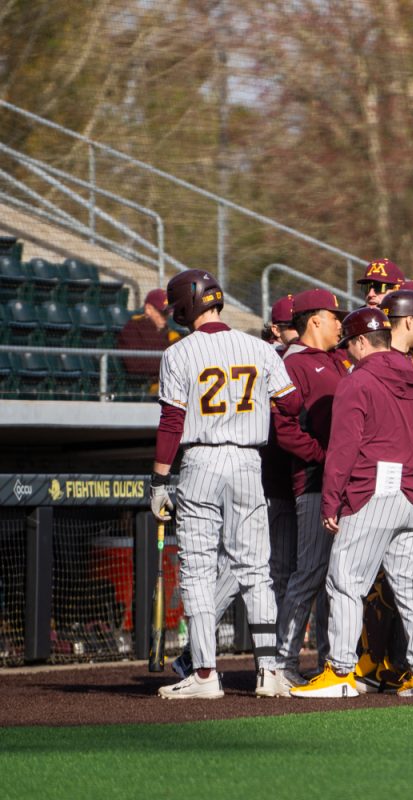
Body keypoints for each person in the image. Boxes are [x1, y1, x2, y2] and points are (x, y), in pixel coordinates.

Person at [149, 269, 301, 700]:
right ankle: (269, 672)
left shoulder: (179, 353)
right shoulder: (259, 348)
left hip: (201, 460)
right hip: (248, 460)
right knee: (256, 569)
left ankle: (204, 676)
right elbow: (293, 402)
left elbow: (171, 422)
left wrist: (159, 481)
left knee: (198, 570)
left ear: (184, 305)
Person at [290, 307, 413, 698]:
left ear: (359, 342)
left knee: (345, 580)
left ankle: (340, 670)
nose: (348, 352)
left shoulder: (358, 381)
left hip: (374, 490)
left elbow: (343, 448)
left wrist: (331, 500)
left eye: (349, 344)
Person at [270, 289, 349, 687]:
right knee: (309, 572)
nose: (341, 322)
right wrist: (326, 457)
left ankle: (329, 663)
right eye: (335, 316)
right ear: (314, 320)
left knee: (337, 577)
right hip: (314, 482)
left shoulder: (334, 359)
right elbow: (284, 431)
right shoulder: (292, 362)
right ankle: (280, 664)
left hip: (341, 484)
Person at [119, 288, 181, 382]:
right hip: (146, 385)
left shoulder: (169, 332)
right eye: (162, 312)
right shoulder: (132, 329)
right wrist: (170, 364)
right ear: (148, 309)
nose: (166, 317)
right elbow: (134, 366)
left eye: (168, 313)